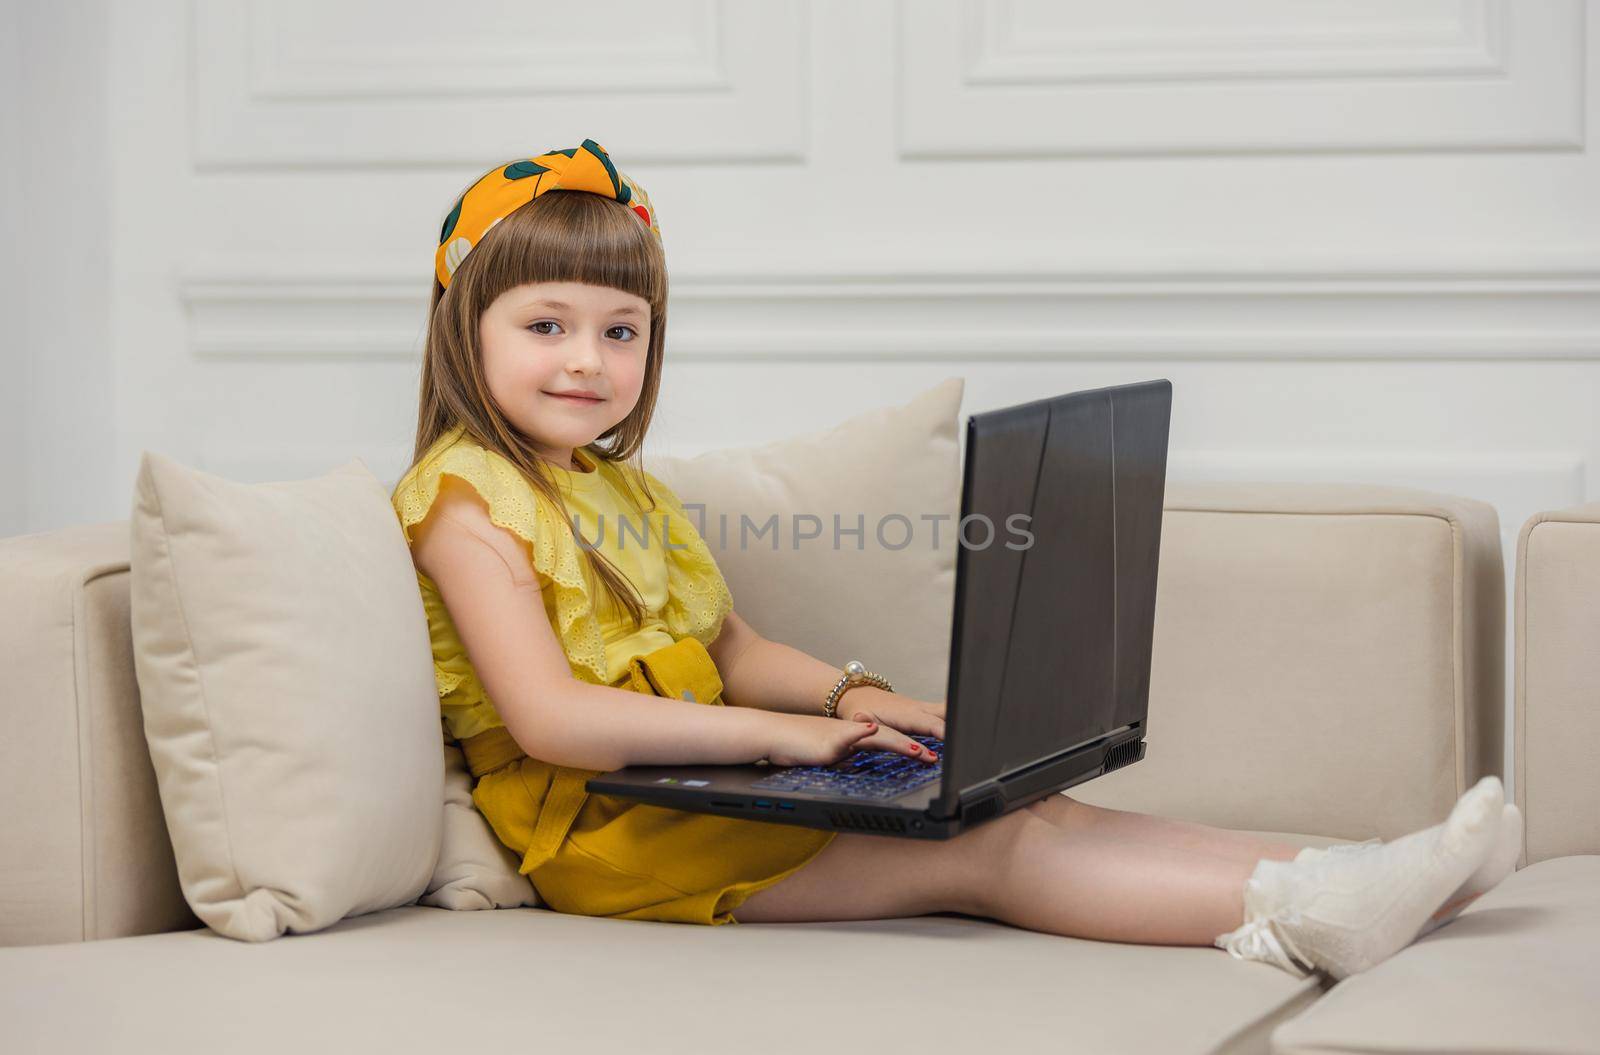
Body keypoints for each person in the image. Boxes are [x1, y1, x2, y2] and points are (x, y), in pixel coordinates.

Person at [389, 139, 1523, 980]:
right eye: (546, 325)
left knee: (1014, 790)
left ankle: (1358, 870)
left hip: (708, 782)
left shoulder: (622, 486)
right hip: (611, 830)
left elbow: (728, 645)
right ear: (465, 327)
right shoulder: (458, 497)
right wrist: (787, 739)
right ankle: (1302, 909)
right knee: (986, 849)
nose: (587, 359)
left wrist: (867, 699)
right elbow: (552, 719)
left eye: (619, 329)